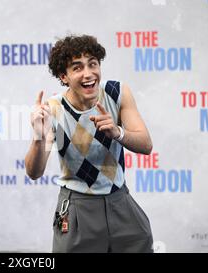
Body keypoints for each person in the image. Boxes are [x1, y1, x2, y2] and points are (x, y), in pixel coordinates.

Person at [25, 34, 154, 253]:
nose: (88, 74)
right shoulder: (53, 109)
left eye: (92, 64)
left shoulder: (117, 92)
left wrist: (117, 132)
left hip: (120, 202)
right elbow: (34, 172)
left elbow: (146, 144)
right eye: (77, 68)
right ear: (63, 76)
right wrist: (39, 137)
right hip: (78, 209)